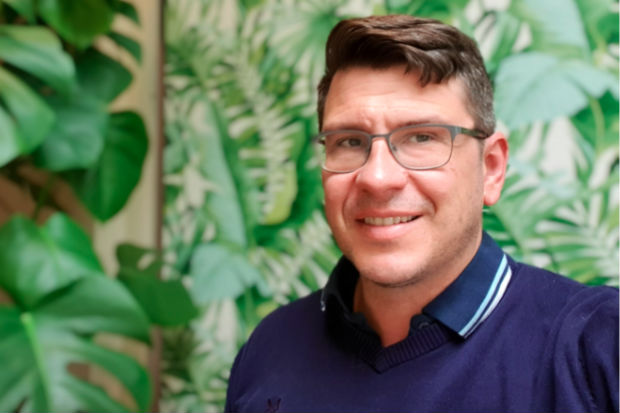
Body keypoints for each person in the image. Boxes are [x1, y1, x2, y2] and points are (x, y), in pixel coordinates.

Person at [225, 15, 619, 413]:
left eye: (421, 137)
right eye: (348, 141)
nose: (378, 178)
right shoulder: (270, 348)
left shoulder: (597, 347)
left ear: (492, 169)